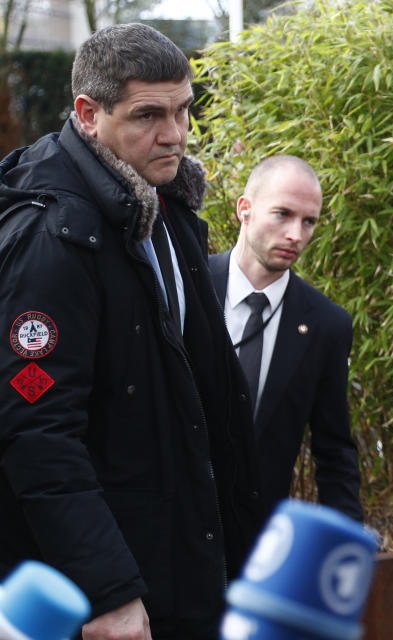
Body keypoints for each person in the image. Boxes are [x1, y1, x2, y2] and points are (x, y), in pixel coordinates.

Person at [0, 23, 264, 639]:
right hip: (113, 594)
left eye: (183, 110)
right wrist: (108, 591)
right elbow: (37, 430)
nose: (174, 134)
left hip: (179, 565)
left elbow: (197, 398)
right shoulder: (53, 238)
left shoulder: (158, 200)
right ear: (89, 114)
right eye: (148, 115)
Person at [209, 155, 362, 521]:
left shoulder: (327, 324)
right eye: (283, 214)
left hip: (257, 538)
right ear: (244, 209)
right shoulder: (186, 285)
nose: (296, 235)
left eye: (309, 221)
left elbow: (335, 452)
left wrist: (342, 553)